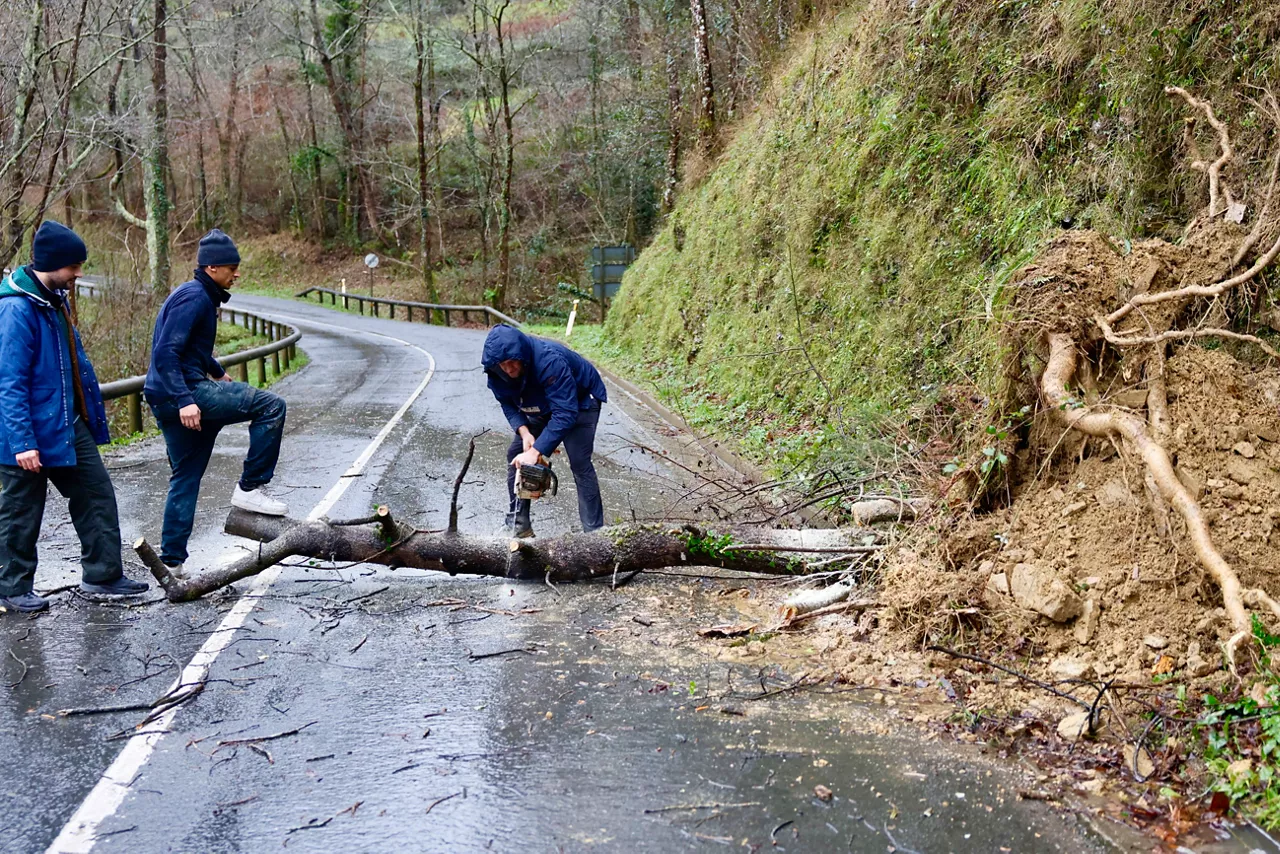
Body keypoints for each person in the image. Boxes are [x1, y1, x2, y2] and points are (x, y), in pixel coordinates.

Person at [0, 221, 149, 611]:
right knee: (20, 512)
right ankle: (11, 589)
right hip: (25, 432)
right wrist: (23, 442)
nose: (79, 273)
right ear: (51, 263)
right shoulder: (16, 309)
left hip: (65, 423)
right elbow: (9, 382)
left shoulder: (54, 300)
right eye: (74, 266)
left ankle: (103, 575)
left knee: (95, 493)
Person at [144, 229, 288, 576]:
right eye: (231, 268)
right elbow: (165, 353)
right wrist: (185, 400)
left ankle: (172, 562)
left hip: (166, 394)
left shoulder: (199, 296)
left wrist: (218, 371)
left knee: (186, 475)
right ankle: (250, 487)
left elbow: (189, 347)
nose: (237, 274)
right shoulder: (195, 298)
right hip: (184, 393)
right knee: (271, 406)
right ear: (211, 268)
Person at [481, 324, 608, 538]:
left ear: (522, 355)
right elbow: (507, 402)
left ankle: (594, 534)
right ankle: (519, 524)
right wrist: (525, 433)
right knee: (516, 455)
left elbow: (565, 413)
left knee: (579, 462)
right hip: (542, 404)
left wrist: (536, 451)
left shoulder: (549, 361)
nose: (509, 369)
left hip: (580, 401)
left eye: (512, 362)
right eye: (504, 365)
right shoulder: (496, 372)